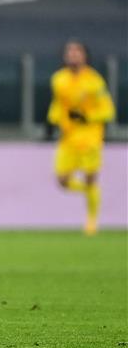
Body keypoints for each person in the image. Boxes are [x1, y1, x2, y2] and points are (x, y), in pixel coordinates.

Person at [47, 39, 115, 236]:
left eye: (77, 52)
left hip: (90, 137)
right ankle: (90, 192)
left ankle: (91, 222)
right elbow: (58, 105)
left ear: (84, 56)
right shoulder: (58, 79)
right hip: (68, 138)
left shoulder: (94, 81)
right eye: (70, 52)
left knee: (90, 177)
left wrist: (87, 117)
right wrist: (51, 121)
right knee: (62, 181)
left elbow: (108, 110)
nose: (73, 55)